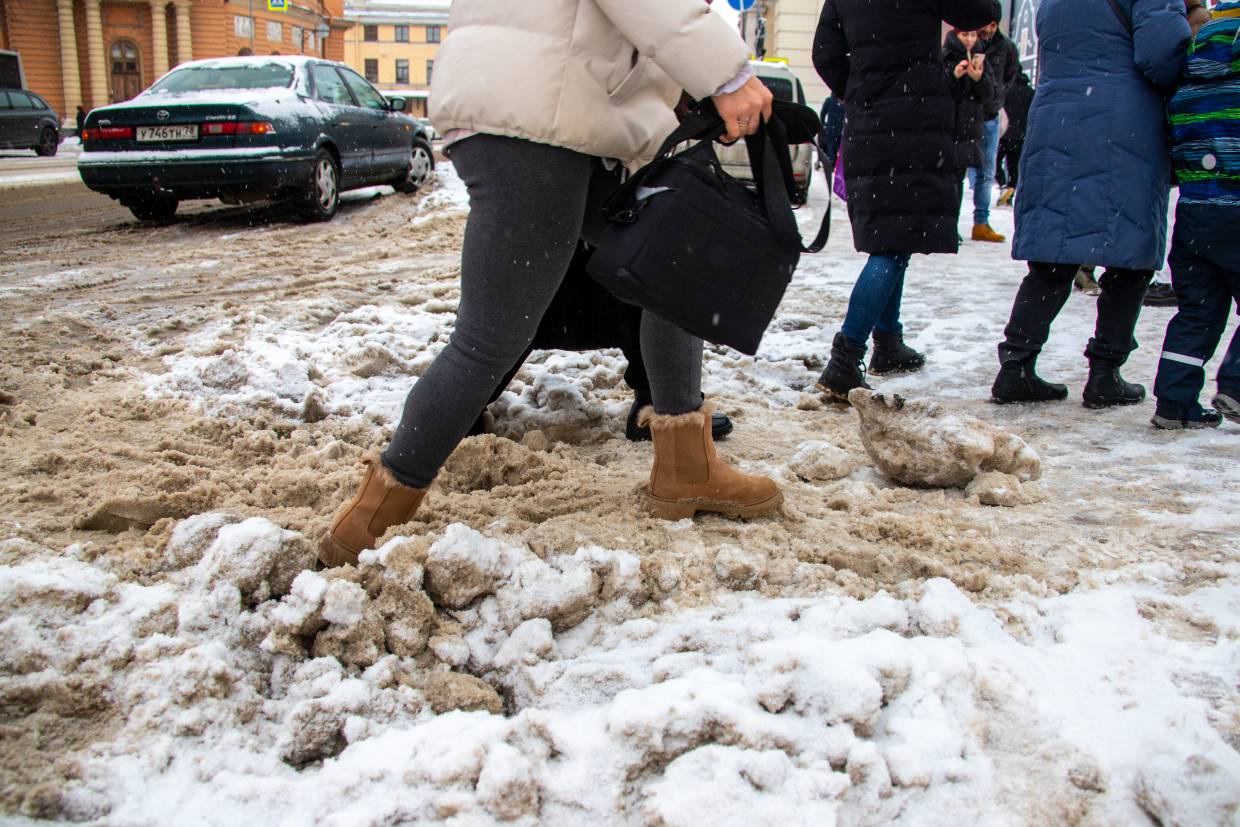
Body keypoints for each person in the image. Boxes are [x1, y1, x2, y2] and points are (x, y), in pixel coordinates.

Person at [318, 0, 783, 568]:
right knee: (489, 338)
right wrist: (727, 73)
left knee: (671, 271)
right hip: (538, 117)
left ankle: (687, 469)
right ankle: (365, 526)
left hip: (557, 105)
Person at [990, 0, 1195, 407]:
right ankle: (1105, 373)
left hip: (1055, 121)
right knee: (1128, 259)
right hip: (1124, 127)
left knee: (1052, 257)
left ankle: (1015, 366)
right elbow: (1162, 56)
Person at [811, 0, 996, 400]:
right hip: (914, 122)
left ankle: (889, 342)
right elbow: (980, 10)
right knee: (892, 247)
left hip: (867, 120)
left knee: (893, 236)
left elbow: (824, 55)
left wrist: (862, 91)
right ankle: (845, 359)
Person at [1151, 2, 1240, 430]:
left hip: (1194, 215)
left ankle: (1173, 401)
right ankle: (1236, 385)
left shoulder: (1188, 90)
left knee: (1197, 311)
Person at [967, 2, 1018, 243]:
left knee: (987, 171)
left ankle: (981, 222)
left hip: (989, 115)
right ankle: (951, 223)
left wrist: (997, 96)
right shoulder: (969, 41)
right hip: (967, 115)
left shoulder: (1006, 48)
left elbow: (1010, 76)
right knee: (958, 170)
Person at [944, 29, 997, 199]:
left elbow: (989, 95)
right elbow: (935, 90)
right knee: (943, 182)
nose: (969, 40)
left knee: (957, 182)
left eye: (973, 35)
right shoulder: (946, 56)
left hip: (968, 131)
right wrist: (954, 75)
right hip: (946, 129)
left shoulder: (981, 59)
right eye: (965, 35)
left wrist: (978, 79)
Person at [995, 66, 1032, 207]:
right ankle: (1011, 190)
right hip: (1021, 136)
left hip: (1003, 134)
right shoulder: (1031, 93)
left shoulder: (1005, 91)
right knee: (1014, 166)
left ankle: (1003, 184)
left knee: (996, 162)